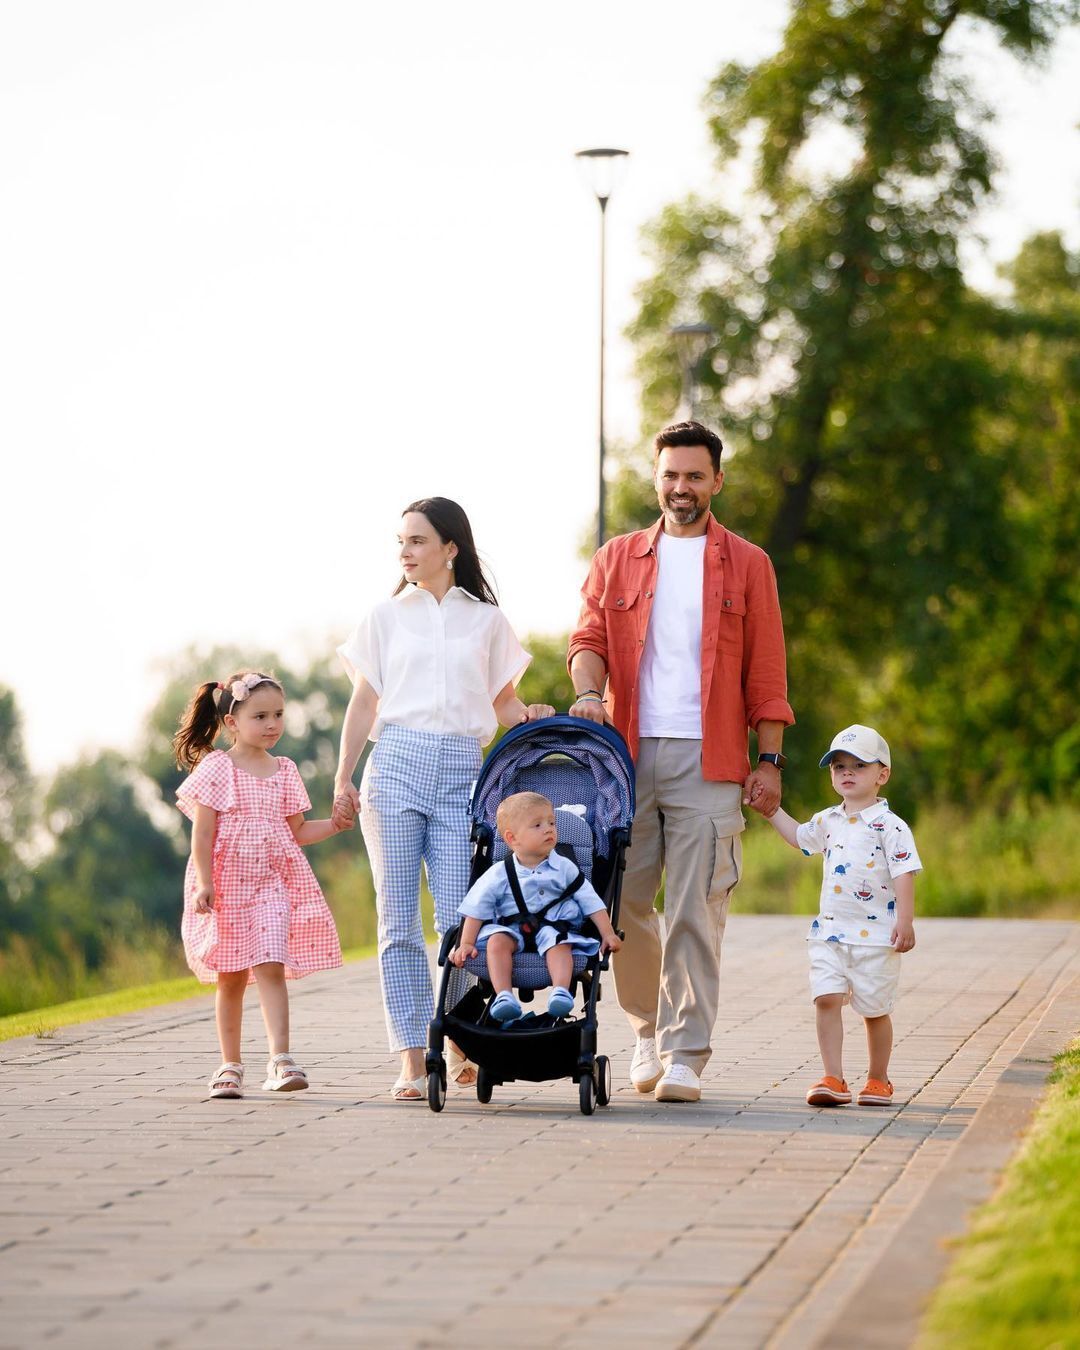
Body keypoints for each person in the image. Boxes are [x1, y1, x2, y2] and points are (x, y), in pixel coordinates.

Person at [568, 420, 794, 1102]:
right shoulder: (617, 558)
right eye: (671, 474)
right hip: (627, 756)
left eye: (695, 475)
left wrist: (770, 758)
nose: (682, 487)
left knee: (697, 905)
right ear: (657, 479)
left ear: (716, 482)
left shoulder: (748, 563)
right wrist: (586, 692)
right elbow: (588, 636)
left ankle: (686, 1052)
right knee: (630, 902)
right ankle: (644, 1033)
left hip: (712, 757)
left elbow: (768, 667)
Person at [332, 498, 554, 1101]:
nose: (404, 553)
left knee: (462, 919)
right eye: (400, 542)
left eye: (417, 541)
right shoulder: (384, 617)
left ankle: (456, 1041)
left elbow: (502, 702)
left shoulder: (485, 621)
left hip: (462, 769)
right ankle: (410, 1058)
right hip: (396, 765)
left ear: (450, 548)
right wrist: (343, 776)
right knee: (396, 922)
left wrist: (528, 714)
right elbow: (364, 702)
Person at [172, 670, 346, 1100]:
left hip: (272, 883)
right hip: (226, 885)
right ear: (232, 722)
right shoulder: (218, 766)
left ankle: (280, 1059)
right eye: (260, 716)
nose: (272, 724)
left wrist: (337, 825)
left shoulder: (285, 770)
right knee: (230, 977)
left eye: (279, 715)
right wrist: (204, 883)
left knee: (271, 963)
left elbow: (298, 832)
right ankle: (229, 1065)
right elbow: (203, 833)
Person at [761, 724, 921, 1107]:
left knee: (874, 1010)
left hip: (877, 938)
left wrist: (905, 920)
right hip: (830, 934)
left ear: (882, 774)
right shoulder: (827, 820)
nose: (847, 772)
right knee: (826, 999)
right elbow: (799, 837)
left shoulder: (891, 826)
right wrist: (770, 811)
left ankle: (878, 1079)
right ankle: (833, 1077)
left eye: (859, 766)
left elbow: (904, 872)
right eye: (838, 766)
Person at [451, 791, 622, 1020]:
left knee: (560, 944)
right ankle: (504, 996)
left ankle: (561, 993)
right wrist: (466, 943)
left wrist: (608, 934)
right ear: (512, 839)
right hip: (511, 929)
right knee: (496, 942)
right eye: (538, 825)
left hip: (554, 928)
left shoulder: (565, 868)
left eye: (551, 822)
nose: (549, 828)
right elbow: (476, 908)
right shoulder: (499, 873)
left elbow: (591, 901)